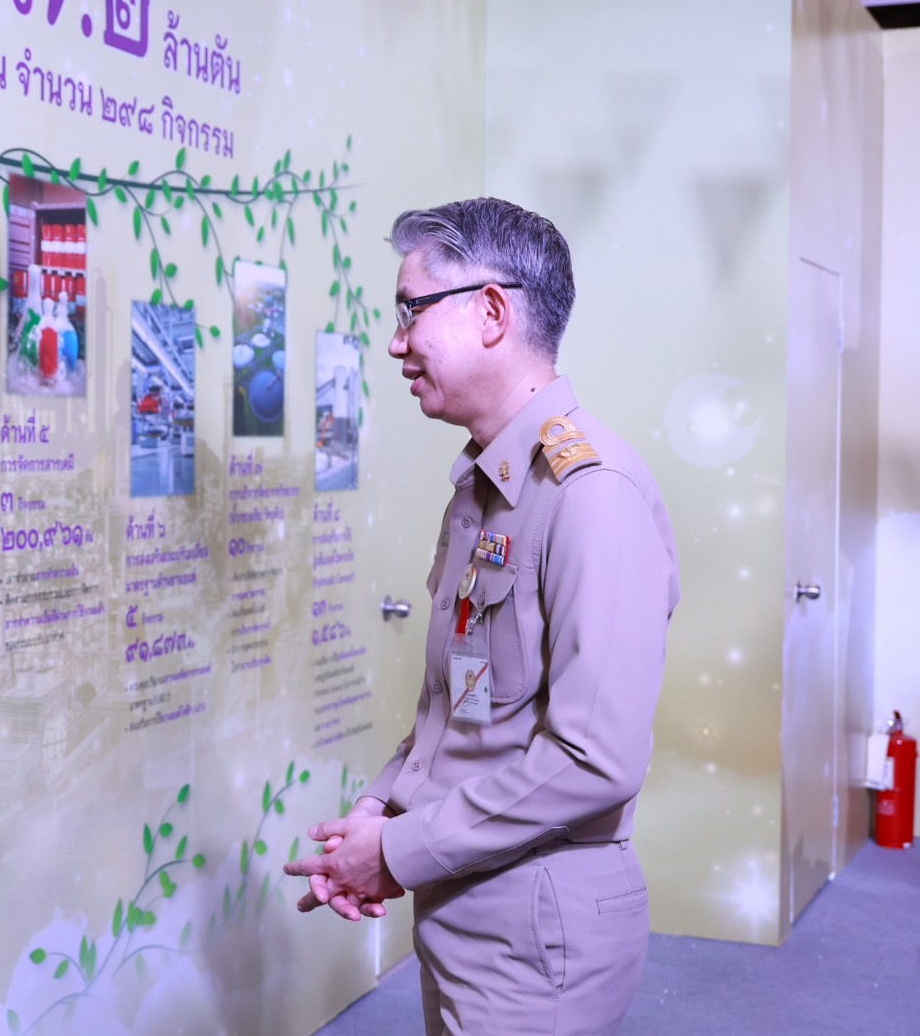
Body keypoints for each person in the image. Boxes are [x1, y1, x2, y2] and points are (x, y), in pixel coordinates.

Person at [284, 197, 680, 1035]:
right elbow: (464, 706)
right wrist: (384, 808)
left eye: (411, 311)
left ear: (492, 311)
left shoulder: (590, 494)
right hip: (467, 899)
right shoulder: (488, 486)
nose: (396, 342)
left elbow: (594, 759)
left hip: (535, 925)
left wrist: (394, 853)